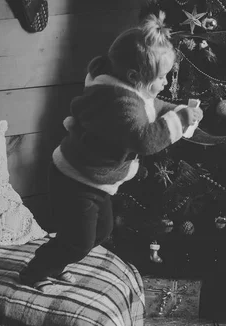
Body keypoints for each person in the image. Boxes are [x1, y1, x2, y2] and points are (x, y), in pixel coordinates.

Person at [20, 12, 203, 288]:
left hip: (95, 181)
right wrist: (182, 119)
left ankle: (56, 260)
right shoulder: (119, 104)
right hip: (75, 180)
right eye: (161, 77)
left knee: (101, 232)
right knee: (78, 241)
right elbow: (145, 138)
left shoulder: (126, 88)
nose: (165, 83)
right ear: (134, 76)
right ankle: (36, 271)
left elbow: (152, 106)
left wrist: (177, 109)